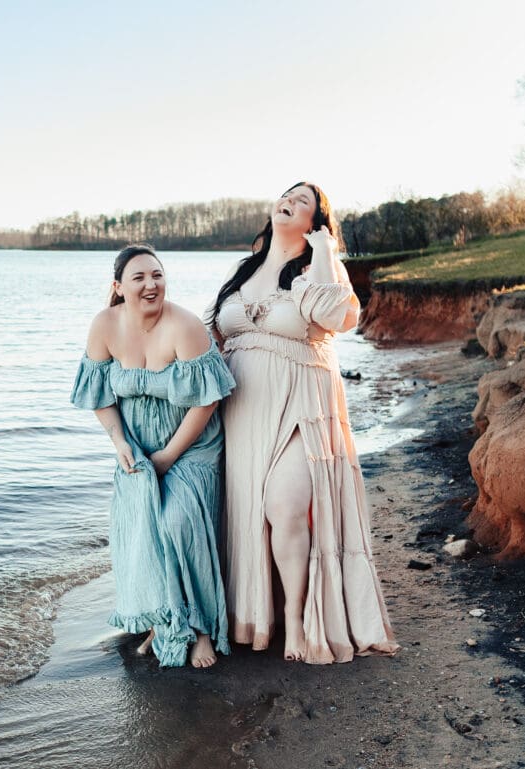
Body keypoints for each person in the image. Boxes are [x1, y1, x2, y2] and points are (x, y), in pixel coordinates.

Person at [208, 182, 399, 664]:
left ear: (315, 220)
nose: (288, 199)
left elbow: (336, 315)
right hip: (242, 413)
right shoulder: (243, 269)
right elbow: (211, 333)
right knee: (251, 510)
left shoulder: (319, 265)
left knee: (286, 507)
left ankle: (295, 616)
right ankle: (257, 612)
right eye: (286, 192)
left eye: (304, 199)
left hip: (302, 405)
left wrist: (323, 250)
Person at [71, 244, 233, 668]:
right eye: (139, 277)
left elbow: (206, 404)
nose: (151, 284)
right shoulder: (104, 326)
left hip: (191, 444)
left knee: (178, 522)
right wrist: (121, 443)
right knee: (143, 529)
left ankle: (200, 629)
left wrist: (168, 456)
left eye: (157, 275)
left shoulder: (186, 326)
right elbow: (98, 395)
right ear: (118, 287)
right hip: (137, 445)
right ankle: (162, 620)